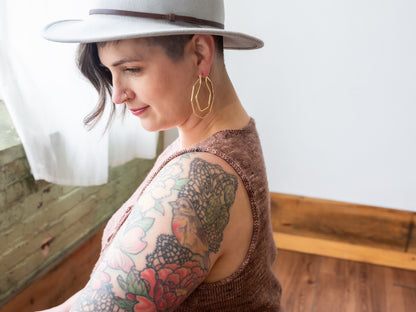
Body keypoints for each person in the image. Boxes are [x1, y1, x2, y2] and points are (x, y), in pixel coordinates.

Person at [42, 0, 282, 311]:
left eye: (131, 69)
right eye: (109, 71)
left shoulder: (200, 180)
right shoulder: (209, 141)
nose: (116, 95)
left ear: (200, 55)